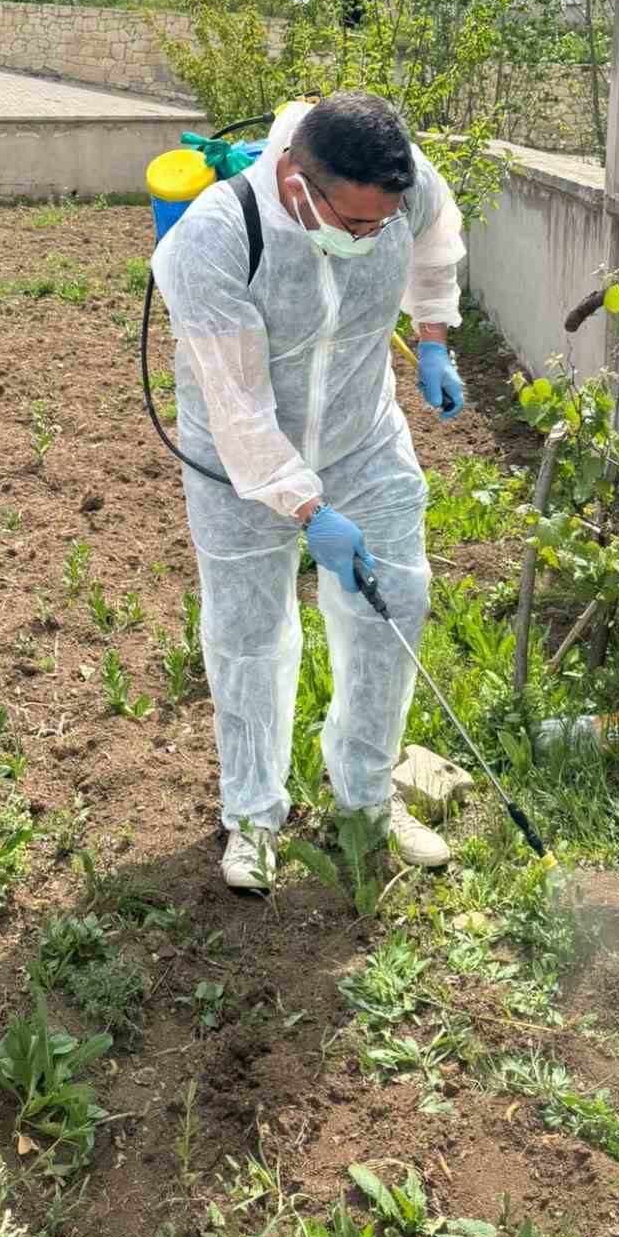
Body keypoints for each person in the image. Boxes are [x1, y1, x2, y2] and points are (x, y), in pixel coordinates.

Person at [152, 92, 468, 890]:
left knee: (391, 604)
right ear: (295, 177)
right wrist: (307, 508)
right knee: (248, 634)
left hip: (364, 436)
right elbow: (239, 411)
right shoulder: (214, 240)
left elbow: (435, 245)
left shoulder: (405, 190)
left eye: (380, 224)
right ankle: (253, 816)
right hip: (238, 461)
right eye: (355, 224)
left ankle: (365, 798)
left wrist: (432, 338)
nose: (370, 238)